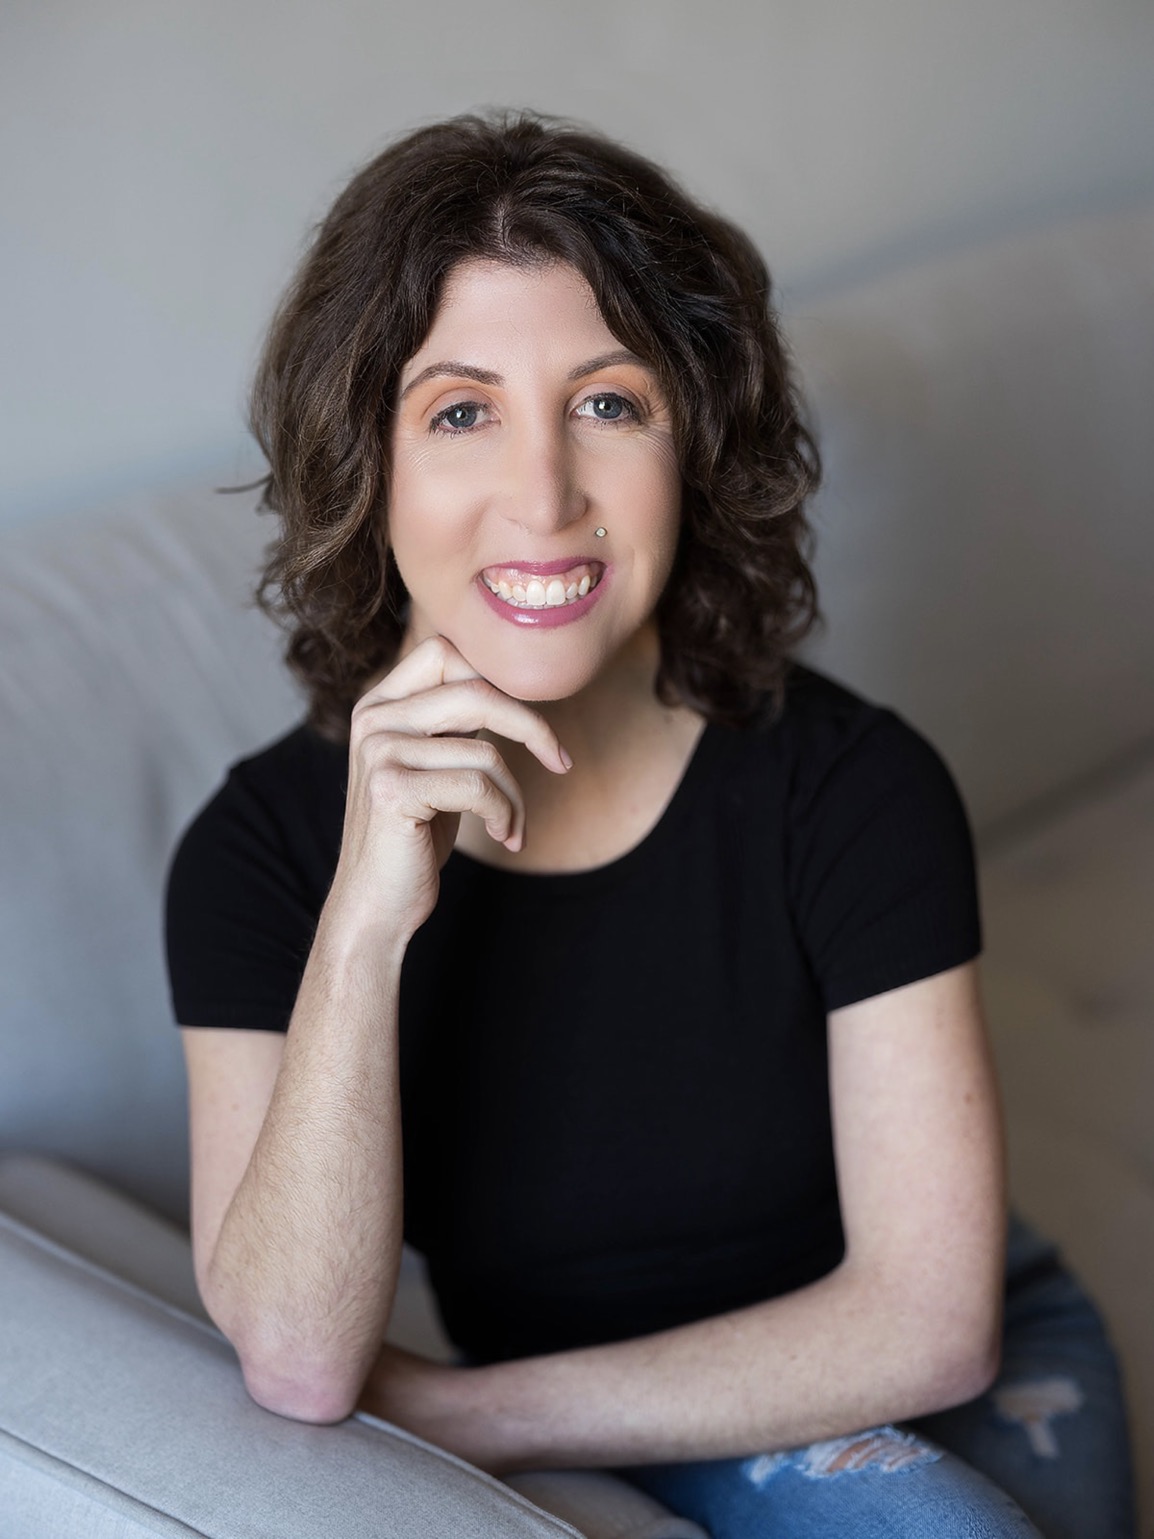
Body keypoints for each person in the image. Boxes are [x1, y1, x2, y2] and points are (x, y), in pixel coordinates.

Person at [163, 110, 1135, 1537]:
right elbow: (302, 1360)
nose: (545, 495)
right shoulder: (254, 854)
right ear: (366, 473)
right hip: (618, 1403)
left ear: (697, 452)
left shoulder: (852, 790)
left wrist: (463, 1412)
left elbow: (929, 1324)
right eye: (460, 410)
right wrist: (364, 927)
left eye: (608, 404)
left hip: (911, 1350)